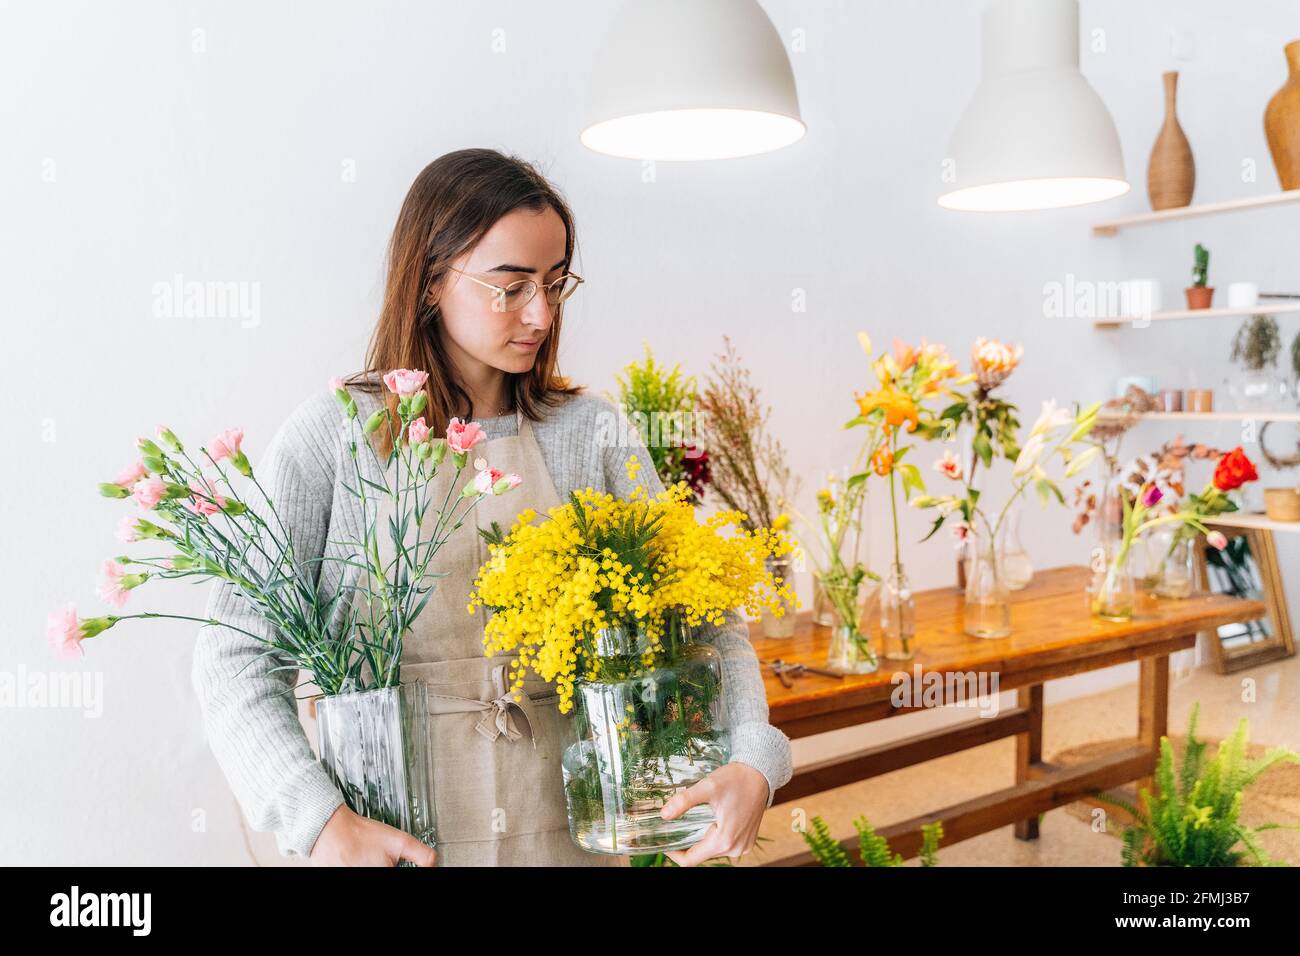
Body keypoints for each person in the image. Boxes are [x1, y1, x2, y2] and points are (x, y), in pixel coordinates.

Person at [191, 147, 793, 866]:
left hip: (569, 842)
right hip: (396, 843)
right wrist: (318, 822)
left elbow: (705, 624)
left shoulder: (591, 435)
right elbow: (233, 657)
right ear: (429, 281)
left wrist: (756, 758)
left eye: (555, 283)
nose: (539, 313)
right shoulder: (332, 441)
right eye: (509, 287)